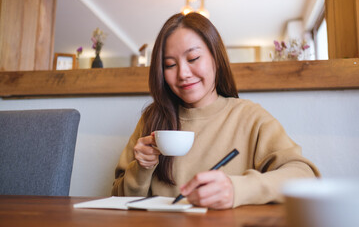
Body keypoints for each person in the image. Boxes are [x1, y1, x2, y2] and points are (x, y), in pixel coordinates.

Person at [111, 12, 320, 209]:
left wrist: (237, 189)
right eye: (169, 65)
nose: (183, 73)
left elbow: (304, 177)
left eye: (193, 59)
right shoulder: (152, 119)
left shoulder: (249, 117)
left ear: (216, 59)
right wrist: (141, 168)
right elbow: (118, 200)